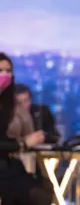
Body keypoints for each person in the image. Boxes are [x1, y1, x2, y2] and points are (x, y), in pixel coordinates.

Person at [0, 53, 54, 205]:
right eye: (0, 70)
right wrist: (22, 144)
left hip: (10, 165)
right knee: (34, 194)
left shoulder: (10, 105)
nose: (4, 75)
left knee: (45, 189)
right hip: (4, 171)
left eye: (8, 71)